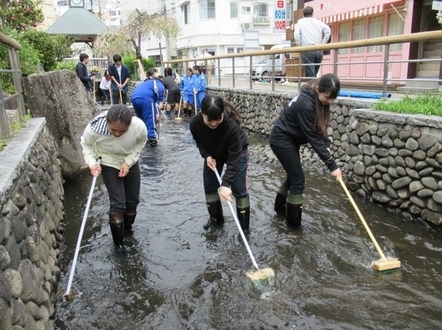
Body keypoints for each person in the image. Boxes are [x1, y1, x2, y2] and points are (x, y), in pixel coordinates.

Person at [269, 73, 342, 229]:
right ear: (318, 89)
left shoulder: (318, 99)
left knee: (293, 177)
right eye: (327, 98)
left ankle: (280, 210)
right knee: (298, 181)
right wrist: (332, 166)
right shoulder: (305, 104)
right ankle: (293, 226)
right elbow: (312, 136)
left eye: (332, 99)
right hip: (281, 139)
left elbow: (320, 125)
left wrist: (326, 142)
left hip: (291, 139)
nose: (329, 102)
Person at [80, 105, 147, 249]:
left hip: (130, 160)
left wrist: (128, 162)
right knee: (118, 203)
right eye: (113, 130)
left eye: (122, 131)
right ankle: (118, 245)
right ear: (106, 122)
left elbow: (141, 142)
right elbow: (86, 145)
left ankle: (127, 230)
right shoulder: (94, 129)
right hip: (107, 161)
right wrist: (92, 163)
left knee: (133, 201)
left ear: (130, 125)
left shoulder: (138, 126)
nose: (117, 134)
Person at [189, 95, 250, 235]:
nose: (214, 124)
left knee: (239, 190)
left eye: (218, 120)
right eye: (209, 122)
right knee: (210, 187)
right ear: (202, 114)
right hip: (214, 154)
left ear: (222, 114)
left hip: (237, 153)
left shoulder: (231, 126)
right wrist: (206, 155)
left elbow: (234, 158)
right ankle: (216, 221)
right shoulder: (194, 124)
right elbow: (199, 142)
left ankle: (244, 229)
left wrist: (225, 184)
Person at [294, 6, 331, 79]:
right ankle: (314, 88)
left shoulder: (300, 22)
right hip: (318, 50)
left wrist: (300, 46)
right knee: (314, 74)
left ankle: (312, 89)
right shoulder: (318, 22)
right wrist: (323, 44)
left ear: (303, 14)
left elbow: (296, 35)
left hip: (308, 49)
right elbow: (328, 30)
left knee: (311, 75)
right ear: (312, 13)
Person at [131, 68, 165, 147]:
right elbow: (160, 90)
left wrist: (156, 113)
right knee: (150, 118)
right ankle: (152, 138)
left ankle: (143, 137)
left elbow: (154, 107)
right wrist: (161, 101)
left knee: (142, 119)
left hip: (134, 98)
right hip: (146, 99)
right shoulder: (158, 83)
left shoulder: (146, 83)